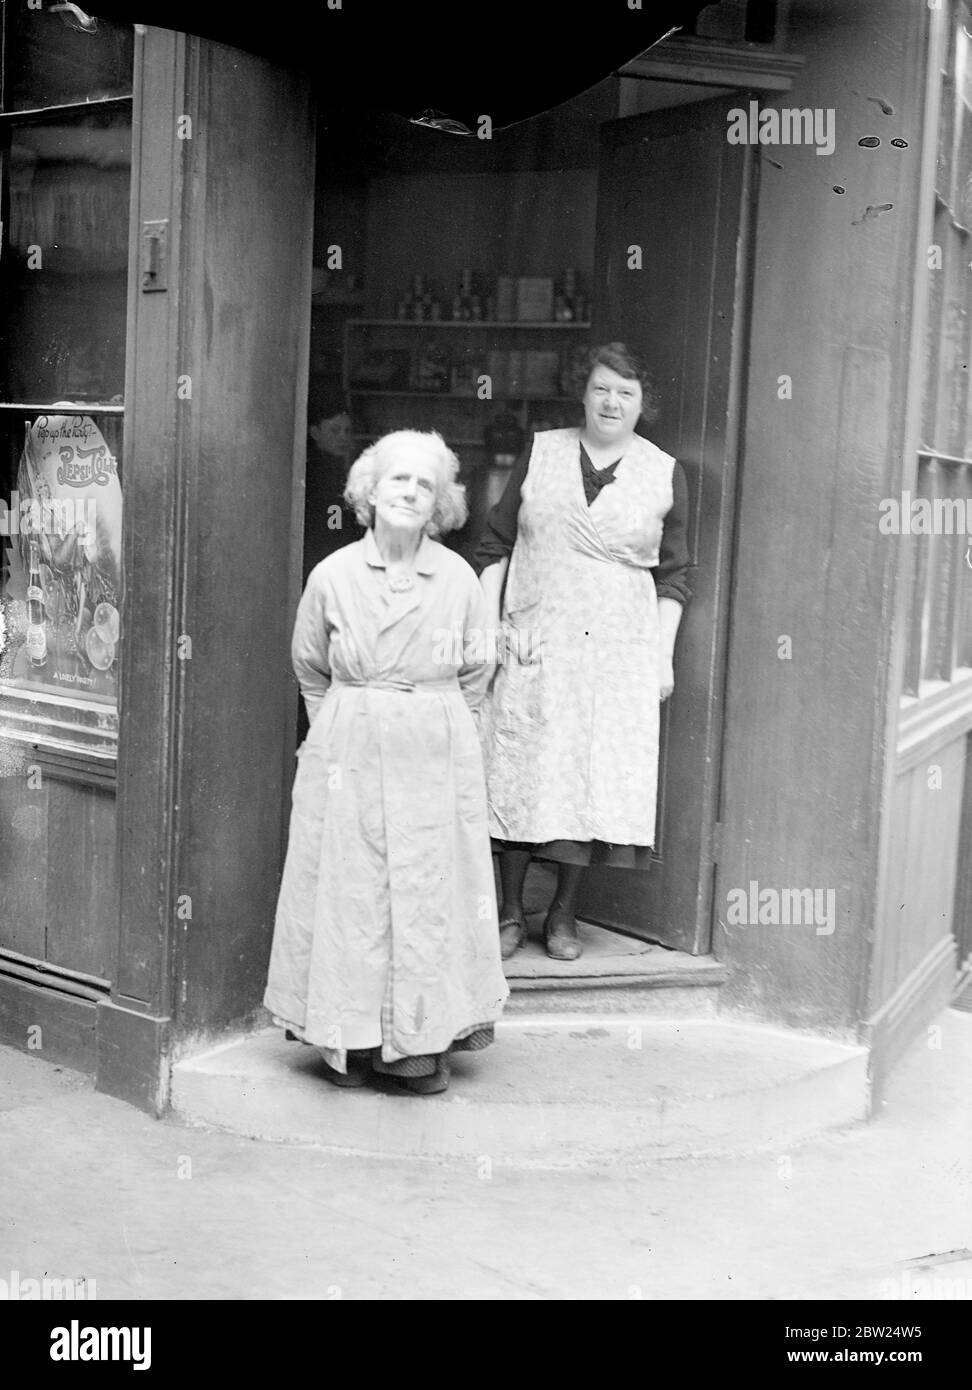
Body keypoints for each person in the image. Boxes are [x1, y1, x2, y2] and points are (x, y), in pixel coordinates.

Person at [264, 429, 509, 1095]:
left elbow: (477, 672)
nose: (409, 492)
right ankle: (348, 1042)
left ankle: (416, 1050)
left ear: (440, 506)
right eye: (397, 479)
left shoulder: (459, 579)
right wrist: (344, 730)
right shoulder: (333, 575)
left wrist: (433, 730)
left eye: (424, 484)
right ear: (369, 493)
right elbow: (310, 667)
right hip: (347, 749)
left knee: (426, 895)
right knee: (351, 893)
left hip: (433, 751)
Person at [474, 342, 693, 962]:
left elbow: (674, 576)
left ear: (642, 403)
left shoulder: (662, 470)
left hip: (616, 647)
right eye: (601, 389)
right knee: (521, 769)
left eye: (625, 392)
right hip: (535, 636)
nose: (611, 402)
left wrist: (661, 657)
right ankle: (511, 912)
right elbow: (494, 544)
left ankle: (563, 915)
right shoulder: (542, 451)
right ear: (583, 393)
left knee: (590, 776)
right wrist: (492, 627)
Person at [302, 384, 353, 584]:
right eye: (335, 430)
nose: (343, 437)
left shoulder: (335, 467)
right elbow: (334, 522)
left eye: (347, 431)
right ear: (315, 433)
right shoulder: (321, 472)